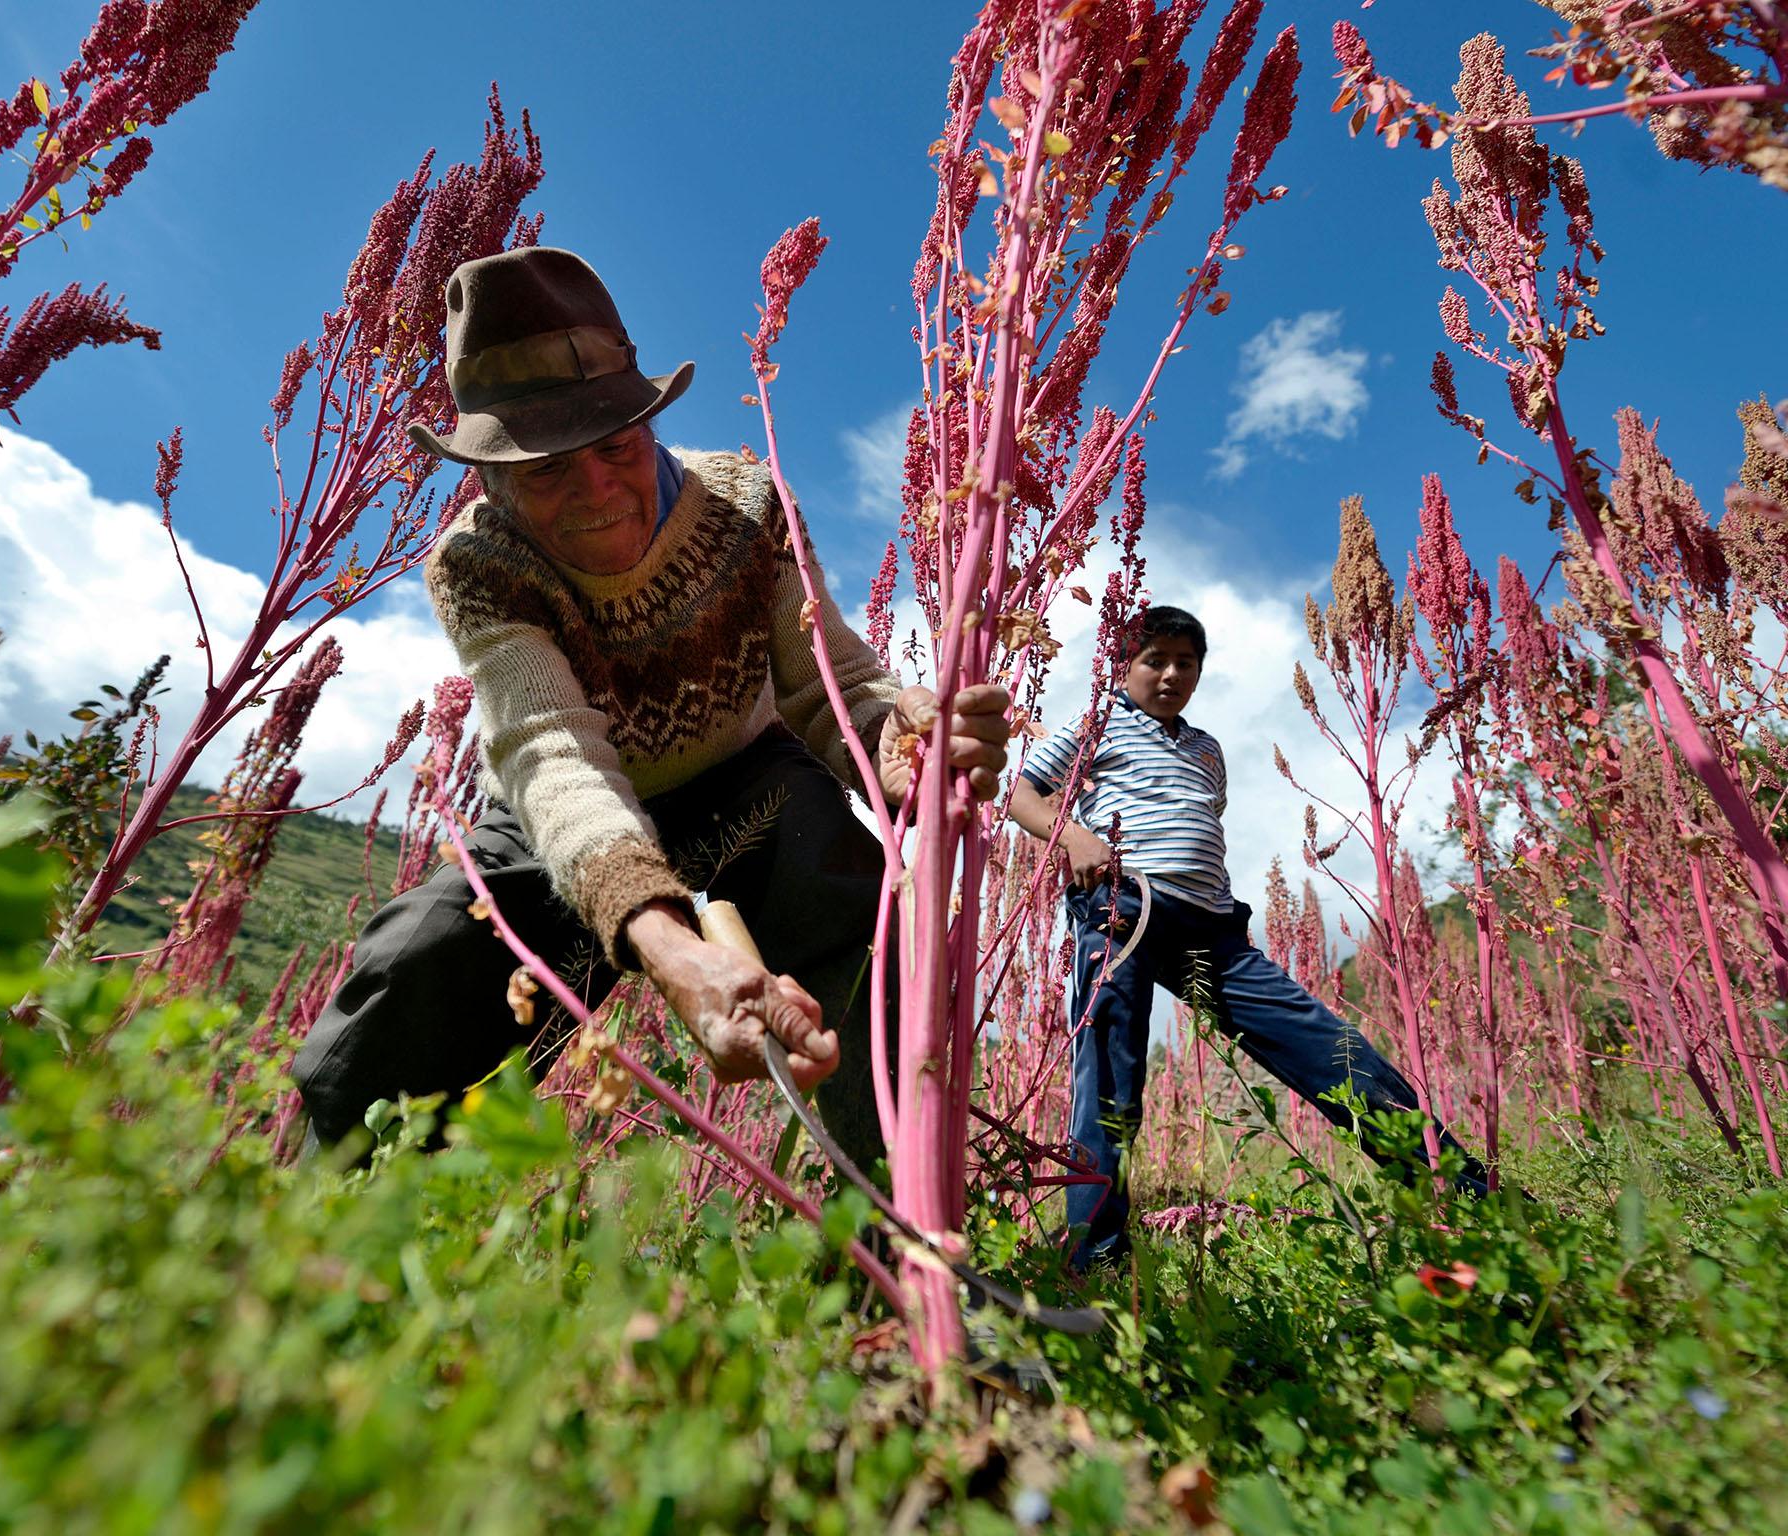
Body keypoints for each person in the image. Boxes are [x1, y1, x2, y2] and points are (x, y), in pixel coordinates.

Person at [290, 246, 1010, 1163]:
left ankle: (904, 1245)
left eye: (615, 448)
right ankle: (321, 1243)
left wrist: (900, 747)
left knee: (857, 906)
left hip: (743, 779)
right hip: (559, 812)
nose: (598, 494)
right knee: (418, 963)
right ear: (492, 477)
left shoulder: (747, 503)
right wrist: (667, 947)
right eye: (549, 471)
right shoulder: (477, 562)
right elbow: (553, 750)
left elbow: (832, 684)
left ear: (648, 427)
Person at [1006, 604, 1487, 1270]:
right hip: (1122, 907)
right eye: (1155, 660)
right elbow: (1023, 794)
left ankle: (1469, 1198)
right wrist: (1077, 836)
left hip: (1211, 928)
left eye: (1186, 663)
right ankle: (1095, 1260)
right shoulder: (1097, 720)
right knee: (1111, 1083)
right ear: (1125, 666)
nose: (1171, 673)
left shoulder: (1206, 748)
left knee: (1330, 1048)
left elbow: (1206, 819)